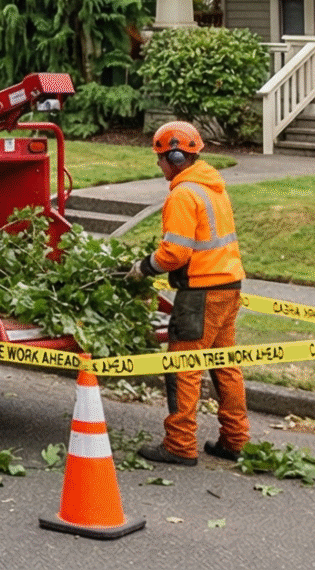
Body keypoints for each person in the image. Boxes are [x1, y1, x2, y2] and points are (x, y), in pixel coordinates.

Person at [129, 120, 248, 465]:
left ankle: (180, 445)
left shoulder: (183, 194)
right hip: (228, 285)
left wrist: (144, 267)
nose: (158, 164)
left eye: (160, 157)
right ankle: (235, 440)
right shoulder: (212, 186)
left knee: (183, 366)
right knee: (225, 365)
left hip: (200, 293)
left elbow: (175, 253)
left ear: (176, 156)